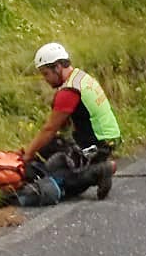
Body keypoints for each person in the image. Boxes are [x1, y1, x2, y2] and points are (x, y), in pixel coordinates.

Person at [18, 43, 121, 206]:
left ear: (57, 67)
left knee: (56, 182)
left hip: (95, 144)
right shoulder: (80, 77)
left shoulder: (68, 91)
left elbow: (50, 128)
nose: (45, 79)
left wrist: (27, 154)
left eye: (46, 74)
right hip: (107, 138)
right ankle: (96, 167)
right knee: (49, 148)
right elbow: (64, 125)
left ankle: (99, 171)